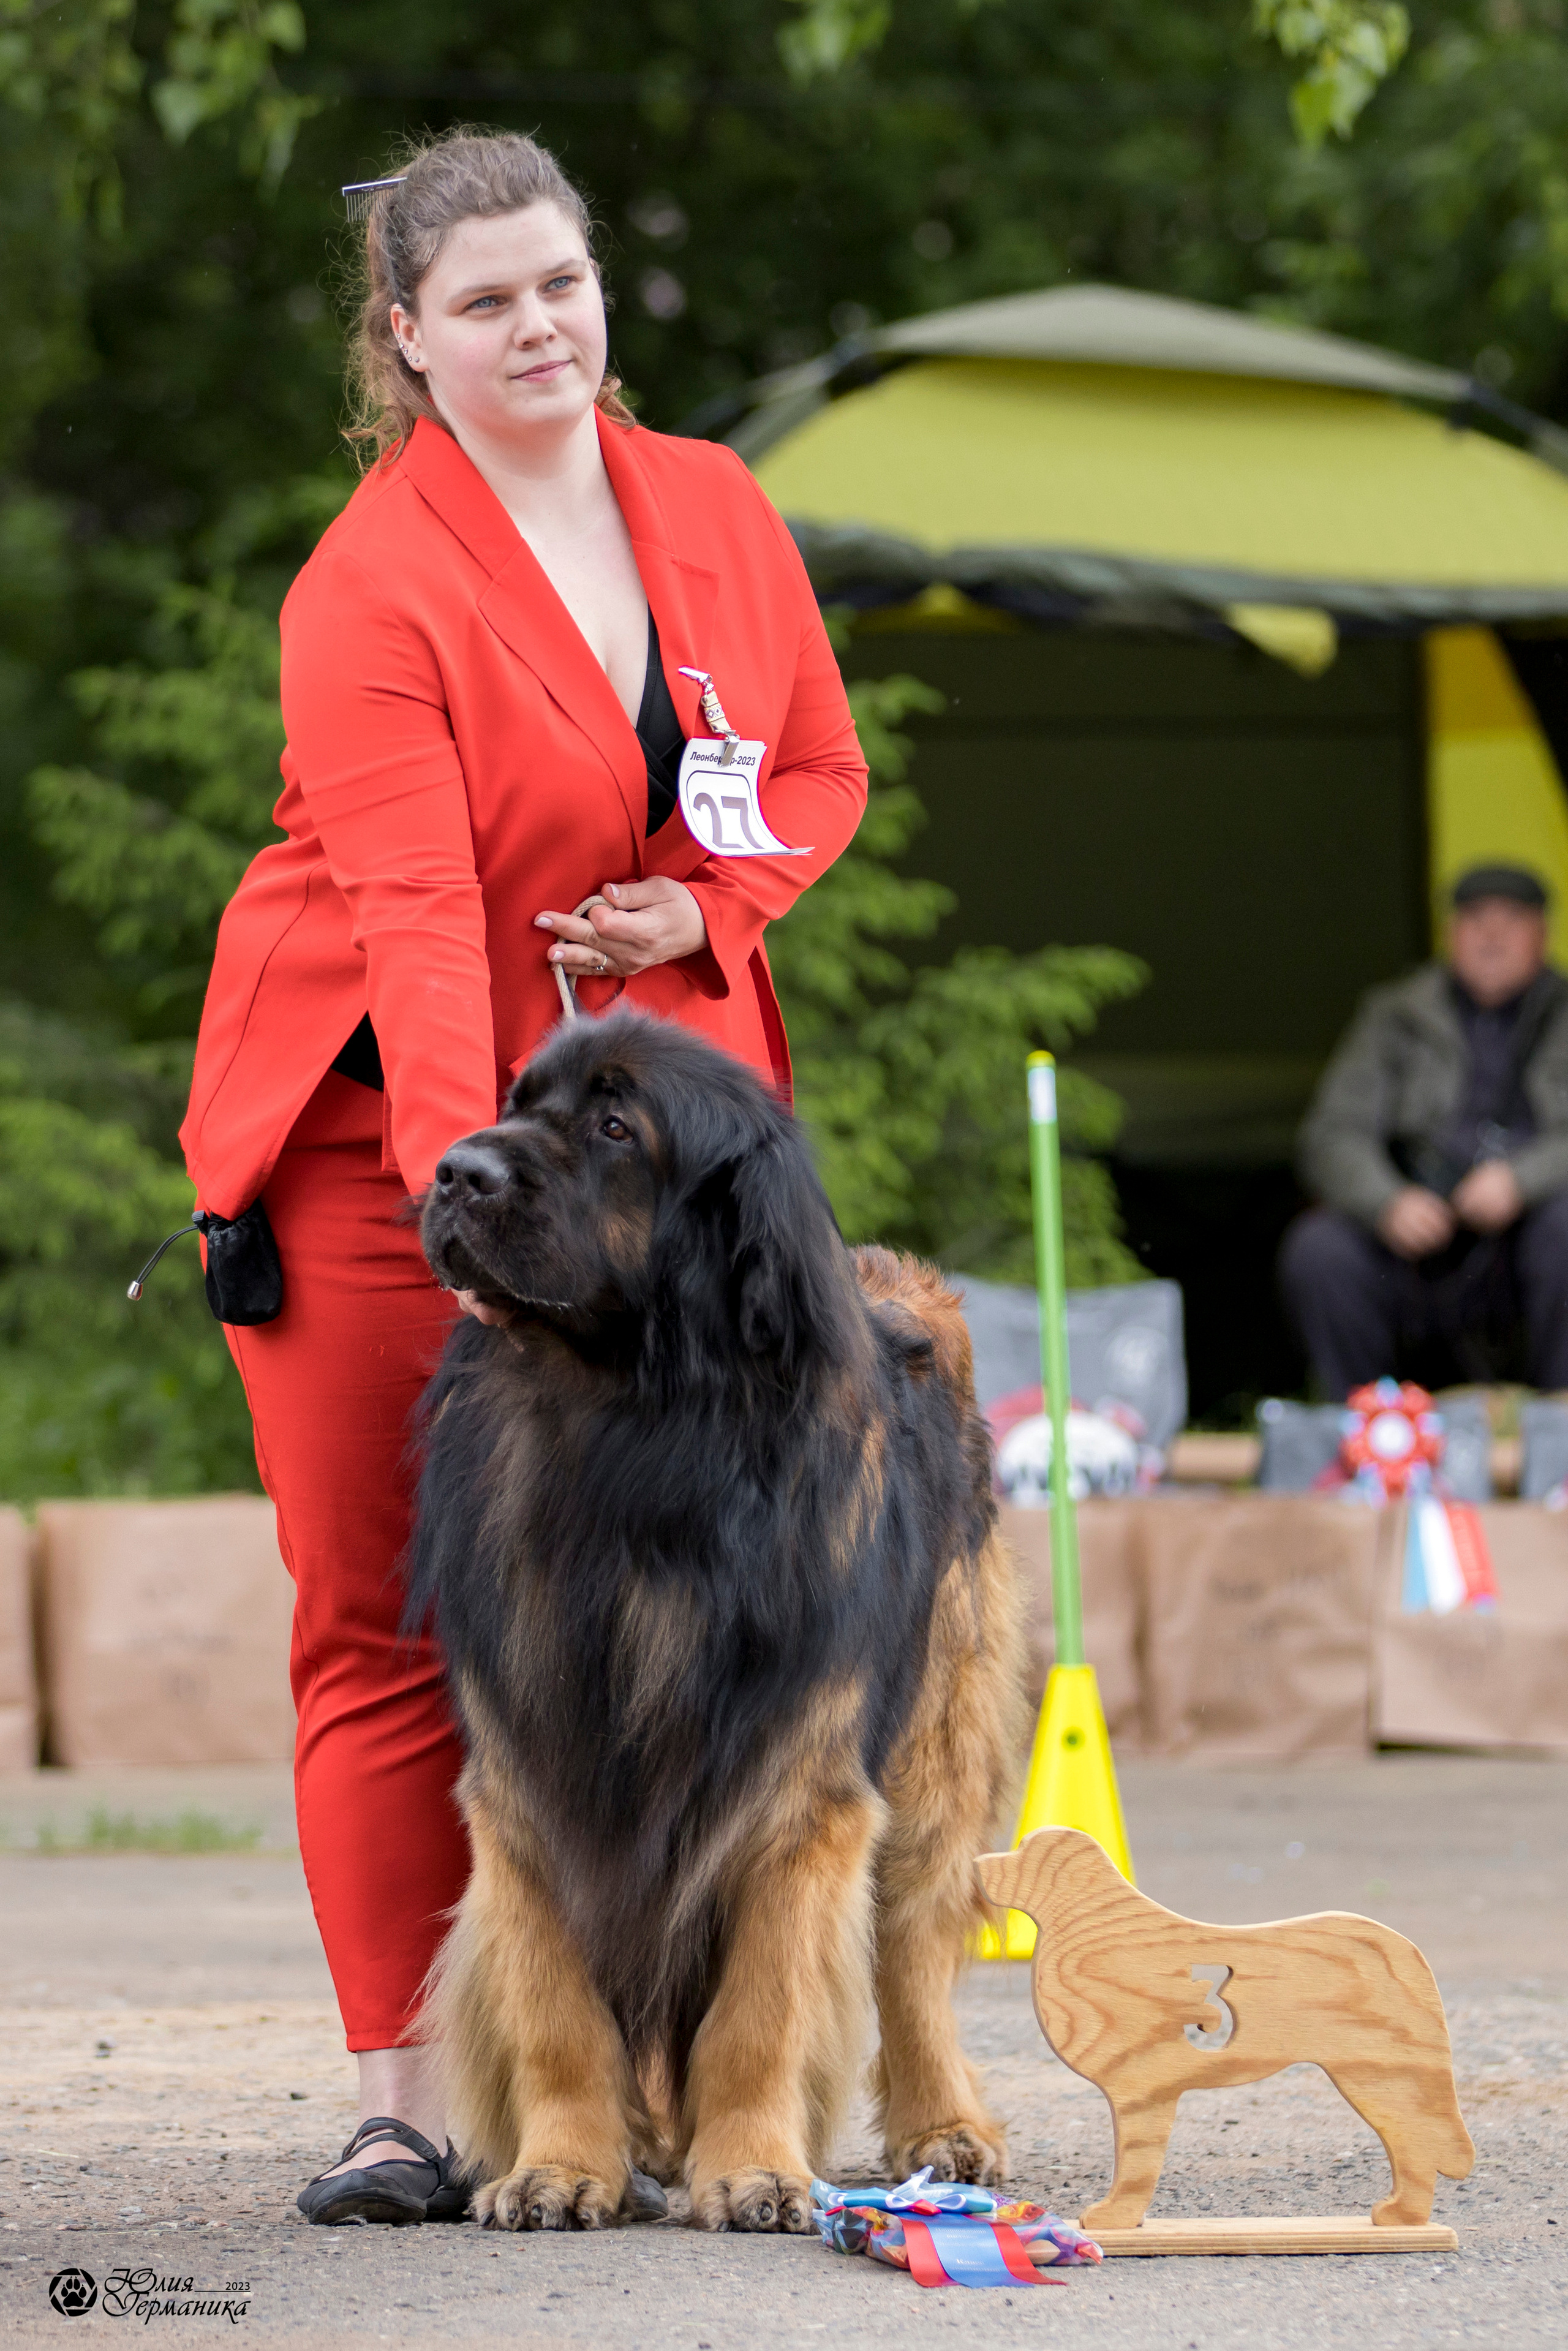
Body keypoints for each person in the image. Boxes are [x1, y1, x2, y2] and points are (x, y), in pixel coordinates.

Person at [178, 128, 868, 2224]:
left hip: (646, 1162)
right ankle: (406, 2087)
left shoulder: (719, 506)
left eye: (558, 281)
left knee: (720, 1613)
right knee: (398, 1618)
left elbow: (815, 770)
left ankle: (688, 2070)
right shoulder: (370, 581)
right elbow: (406, 906)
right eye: (481, 302)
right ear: (406, 338)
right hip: (388, 1135)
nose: (536, 324)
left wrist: (707, 906)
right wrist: (474, 1219)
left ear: (602, 289)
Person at [1281, 863, 1568, 1400]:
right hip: (1416, 1246)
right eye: (1476, 918)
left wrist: (1521, 1181)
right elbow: (1331, 1133)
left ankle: (1561, 1428)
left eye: (1512, 919)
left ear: (1543, 934)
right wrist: (1387, 1202)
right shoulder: (1394, 1015)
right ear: (1448, 933)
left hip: (1527, 1247)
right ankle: (1365, 1431)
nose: (1492, 935)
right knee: (1319, 1250)